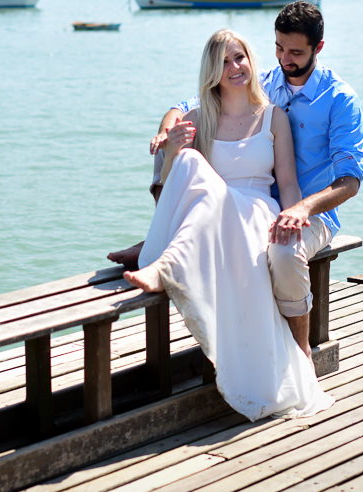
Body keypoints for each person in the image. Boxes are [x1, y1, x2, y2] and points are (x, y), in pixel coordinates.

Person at [111, 0, 363, 365]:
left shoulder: (340, 100)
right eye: (278, 47)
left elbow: (350, 181)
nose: (284, 58)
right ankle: (164, 233)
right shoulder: (262, 81)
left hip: (307, 212)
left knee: (283, 253)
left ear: (318, 49)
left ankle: (300, 349)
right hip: (240, 207)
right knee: (179, 147)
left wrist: (300, 208)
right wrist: (166, 129)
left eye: (295, 52)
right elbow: (188, 103)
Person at [123, 28, 333, 421]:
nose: (234, 67)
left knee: (208, 190)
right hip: (214, 210)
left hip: (255, 211)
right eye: (223, 61)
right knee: (189, 164)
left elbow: (286, 181)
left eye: (240, 57)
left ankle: (162, 265)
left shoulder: (274, 117)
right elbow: (174, 187)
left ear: (252, 62)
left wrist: (293, 222)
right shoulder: (198, 117)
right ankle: (163, 263)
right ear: (212, 71)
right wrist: (171, 149)